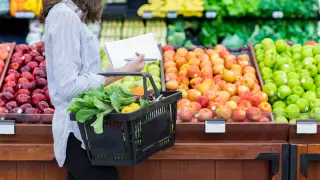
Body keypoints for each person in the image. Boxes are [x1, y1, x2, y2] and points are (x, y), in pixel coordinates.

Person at [39, 0, 145, 179]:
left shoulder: (70, 14)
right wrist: (121, 73)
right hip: (75, 132)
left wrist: (115, 70)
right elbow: (69, 86)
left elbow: (82, 74)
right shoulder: (64, 16)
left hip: (86, 130)